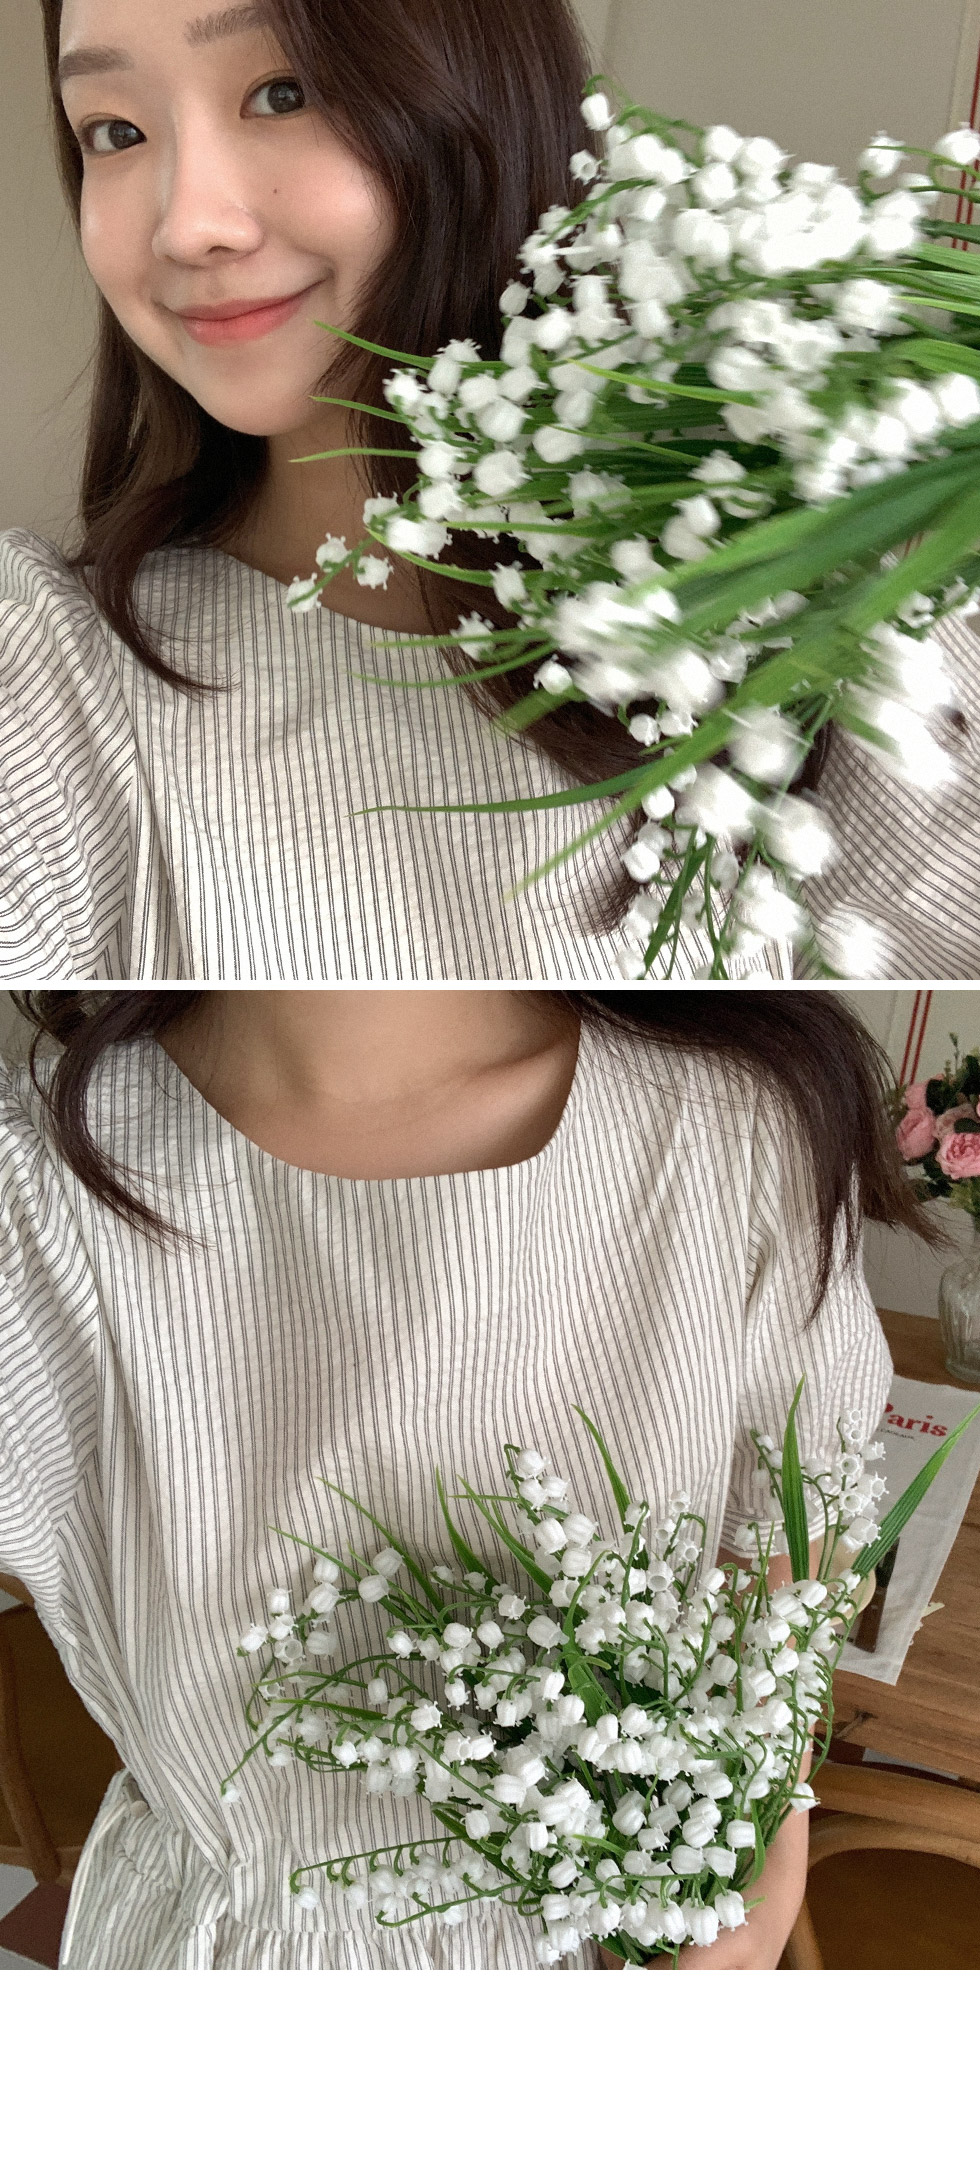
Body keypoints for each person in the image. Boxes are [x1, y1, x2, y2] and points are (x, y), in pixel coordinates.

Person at [2, 0, 977, 981]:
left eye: (283, 94)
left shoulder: (795, 606)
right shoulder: (53, 675)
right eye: (115, 131)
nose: (188, 227)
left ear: (476, 84)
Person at [0, 987, 925, 1968]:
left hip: (622, 1942)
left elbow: (801, 1523)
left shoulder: (739, 1123)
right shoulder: (36, 1193)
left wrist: (762, 1838)